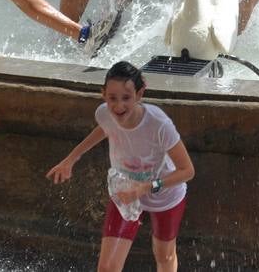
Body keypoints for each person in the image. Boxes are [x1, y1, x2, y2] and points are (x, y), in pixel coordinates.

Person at [46, 61, 194, 272]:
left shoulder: (159, 124)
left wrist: (146, 187)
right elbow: (104, 129)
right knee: (107, 267)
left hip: (164, 193)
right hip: (125, 189)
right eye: (112, 98)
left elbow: (188, 171)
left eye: (126, 98)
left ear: (140, 94)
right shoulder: (104, 113)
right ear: (103, 94)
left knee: (164, 255)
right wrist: (71, 159)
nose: (118, 106)